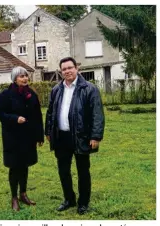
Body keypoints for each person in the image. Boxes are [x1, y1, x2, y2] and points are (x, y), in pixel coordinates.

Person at [45, 57, 105, 215]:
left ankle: (83, 203)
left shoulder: (89, 89)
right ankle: (69, 199)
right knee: (63, 171)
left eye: (70, 68)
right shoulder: (56, 89)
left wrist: (96, 136)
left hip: (81, 136)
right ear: (60, 71)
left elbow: (97, 114)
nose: (67, 71)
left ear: (76, 68)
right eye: (64, 69)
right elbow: (50, 113)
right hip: (61, 137)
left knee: (83, 171)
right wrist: (48, 132)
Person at [0, 66, 44, 211]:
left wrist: (39, 136)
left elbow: (37, 116)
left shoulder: (31, 94)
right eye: (21, 76)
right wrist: (15, 119)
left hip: (28, 137)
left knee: (25, 165)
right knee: (14, 167)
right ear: (15, 78)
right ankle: (14, 197)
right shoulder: (6, 94)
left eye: (26, 76)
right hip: (12, 137)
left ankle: (23, 194)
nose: (25, 79)